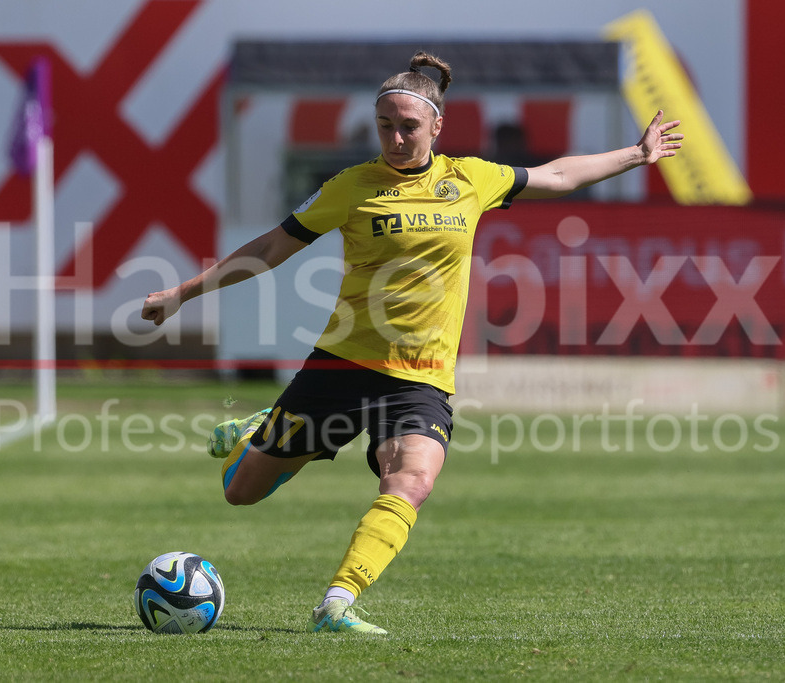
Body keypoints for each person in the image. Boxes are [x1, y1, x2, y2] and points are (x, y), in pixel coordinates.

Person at [141, 51, 682, 635]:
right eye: (385, 127)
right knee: (241, 493)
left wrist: (637, 154)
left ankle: (337, 603)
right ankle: (256, 432)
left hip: (420, 377)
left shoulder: (470, 179)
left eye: (408, 127)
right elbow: (272, 248)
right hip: (342, 367)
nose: (396, 139)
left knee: (412, 480)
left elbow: (557, 175)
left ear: (437, 126)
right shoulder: (351, 187)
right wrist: (184, 293)